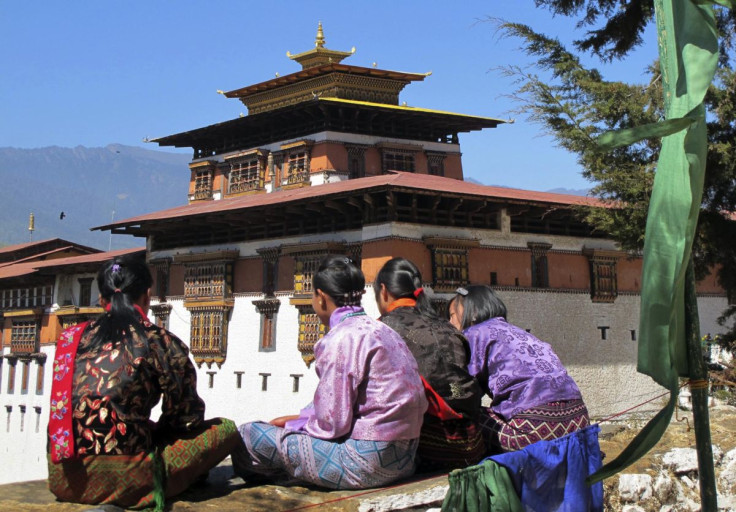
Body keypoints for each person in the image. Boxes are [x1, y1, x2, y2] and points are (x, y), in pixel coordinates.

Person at [47, 254, 240, 510]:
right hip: (127, 480)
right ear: (147, 296)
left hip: (64, 476)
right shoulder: (158, 340)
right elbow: (187, 417)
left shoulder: (70, 339)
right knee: (226, 429)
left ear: (102, 298)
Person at [232, 255, 428, 489]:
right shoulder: (383, 330)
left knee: (247, 435)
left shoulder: (341, 338)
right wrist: (299, 419)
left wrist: (298, 427)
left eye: (313, 296)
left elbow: (332, 425)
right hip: (405, 459)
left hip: (366, 463)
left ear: (322, 298)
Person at [448, 285, 590, 453]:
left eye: (452, 316)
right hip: (579, 427)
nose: (450, 323)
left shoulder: (474, 334)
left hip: (534, 433)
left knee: (463, 417)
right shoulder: (521, 333)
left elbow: (466, 391)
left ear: (471, 312)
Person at [374, 257, 485, 471]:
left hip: (431, 446)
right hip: (473, 441)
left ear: (383, 290)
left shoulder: (381, 329)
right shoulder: (447, 326)